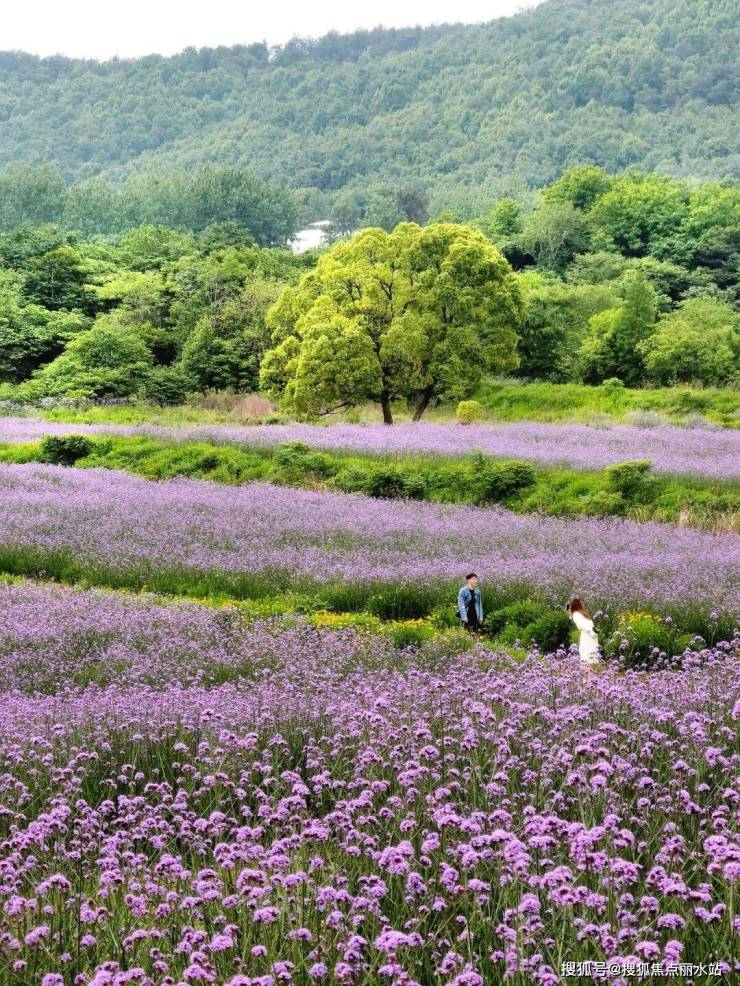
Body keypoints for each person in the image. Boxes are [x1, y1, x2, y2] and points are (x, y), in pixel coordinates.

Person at [566, 596, 600, 666]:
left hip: (586, 634)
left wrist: (590, 632)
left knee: (585, 652)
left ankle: (587, 669)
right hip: (591, 633)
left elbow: (582, 625)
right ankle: (594, 667)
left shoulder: (576, 614)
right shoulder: (583, 613)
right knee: (592, 651)